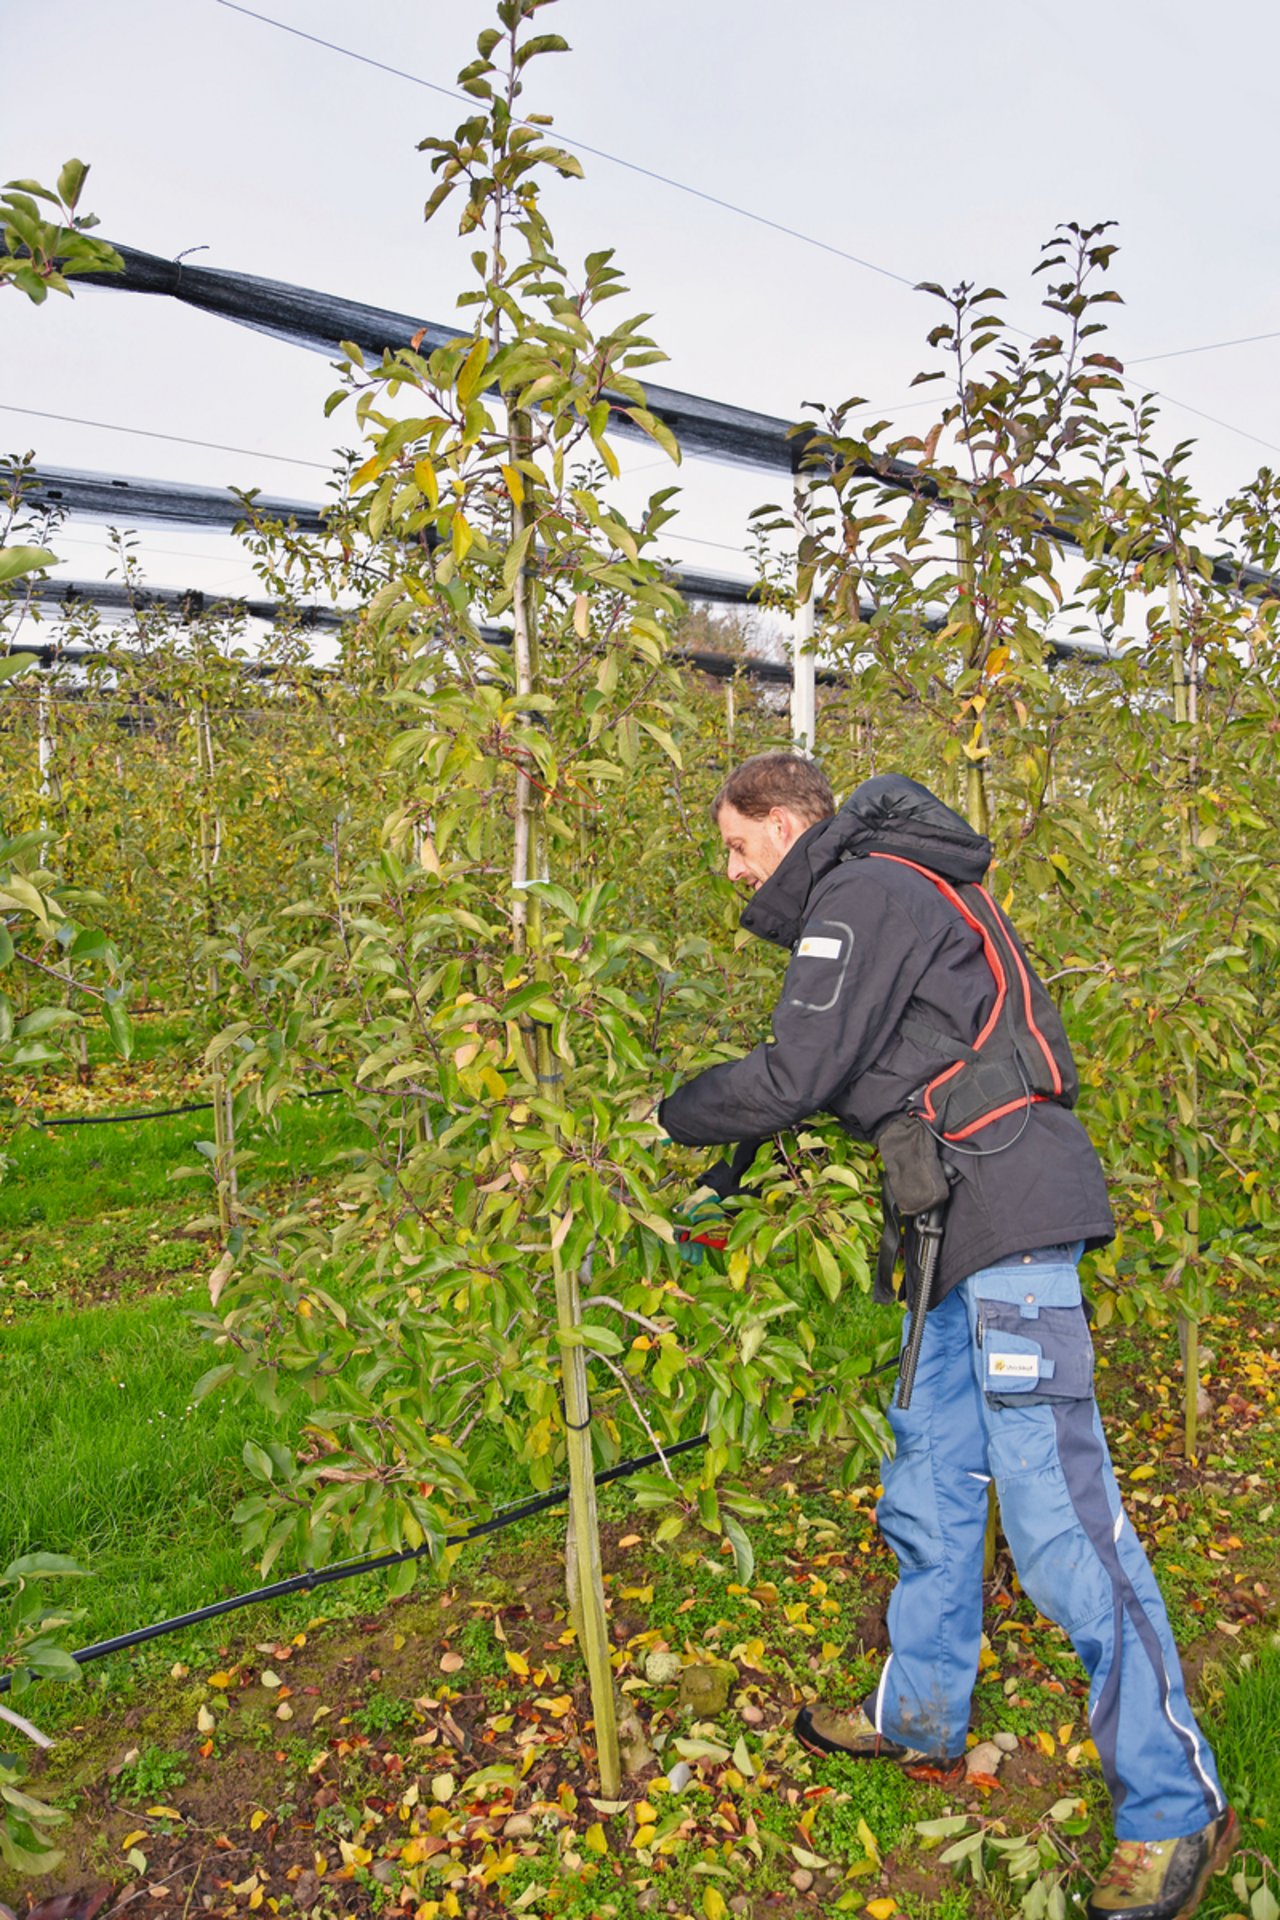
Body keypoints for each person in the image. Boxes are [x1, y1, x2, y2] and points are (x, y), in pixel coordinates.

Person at [658, 751, 1235, 1920]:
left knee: (1058, 1520)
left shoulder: (864, 890)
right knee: (924, 1478)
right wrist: (728, 1179)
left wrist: (665, 1114)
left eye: (732, 844)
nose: (730, 871)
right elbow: (847, 1080)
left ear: (780, 822)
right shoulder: (889, 890)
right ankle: (917, 1710)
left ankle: (1172, 1807)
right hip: (947, 1230)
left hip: (1007, 1224)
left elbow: (794, 1071)